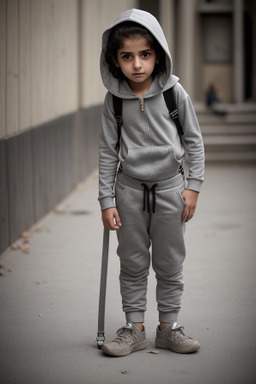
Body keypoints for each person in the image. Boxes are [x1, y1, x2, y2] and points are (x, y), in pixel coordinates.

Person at [98, 9, 205, 357]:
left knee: (170, 261)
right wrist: (106, 200)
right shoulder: (114, 100)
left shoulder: (175, 94)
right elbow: (107, 151)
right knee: (131, 261)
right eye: (127, 56)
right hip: (128, 191)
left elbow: (194, 142)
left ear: (157, 54)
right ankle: (135, 328)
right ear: (115, 61)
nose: (137, 64)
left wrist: (193, 186)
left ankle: (168, 327)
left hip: (171, 190)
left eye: (144, 54)